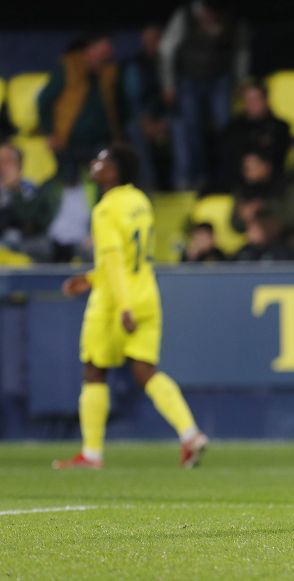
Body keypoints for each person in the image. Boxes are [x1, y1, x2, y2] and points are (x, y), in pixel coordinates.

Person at [53, 145, 208, 470]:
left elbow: (113, 260)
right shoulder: (140, 201)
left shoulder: (106, 209)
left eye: (104, 161)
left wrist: (121, 305)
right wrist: (91, 278)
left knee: (94, 369)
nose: (95, 164)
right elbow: (129, 257)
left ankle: (91, 454)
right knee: (145, 371)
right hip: (146, 293)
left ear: (117, 171)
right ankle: (190, 433)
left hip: (115, 303)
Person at [161, 0, 251, 189]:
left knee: (225, 130)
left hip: (220, 80)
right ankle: (194, 179)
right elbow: (166, 48)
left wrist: (240, 81)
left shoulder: (232, 17)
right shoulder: (185, 15)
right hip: (189, 80)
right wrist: (168, 84)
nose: (212, 18)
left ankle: (226, 178)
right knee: (190, 129)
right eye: (209, 12)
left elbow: (242, 50)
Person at [38, 33, 122, 184]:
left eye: (106, 56)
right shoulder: (69, 67)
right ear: (88, 50)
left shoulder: (108, 72)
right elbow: (44, 100)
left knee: (106, 177)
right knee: (69, 185)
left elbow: (118, 107)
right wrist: (49, 132)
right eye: (100, 54)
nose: (103, 59)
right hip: (68, 142)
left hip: (99, 143)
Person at [121, 24, 170, 191]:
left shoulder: (170, 64)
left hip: (166, 118)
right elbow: (132, 99)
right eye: (149, 38)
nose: (153, 42)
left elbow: (176, 98)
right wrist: (145, 121)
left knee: (182, 126)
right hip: (142, 119)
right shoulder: (135, 65)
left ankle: (185, 181)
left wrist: (163, 121)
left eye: (156, 38)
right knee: (134, 130)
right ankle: (147, 186)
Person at [218, 82, 290, 190]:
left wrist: (259, 164)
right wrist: (246, 167)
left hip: (271, 184)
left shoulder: (280, 127)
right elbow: (227, 157)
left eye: (256, 99)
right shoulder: (233, 127)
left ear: (266, 100)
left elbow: (278, 157)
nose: (252, 103)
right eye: (248, 100)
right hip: (237, 182)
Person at [0, 143, 59, 261]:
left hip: (27, 241)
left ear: (19, 165)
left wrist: (15, 190)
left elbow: (31, 221)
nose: (2, 166)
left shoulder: (30, 188)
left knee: (42, 245)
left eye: (8, 161)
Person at [231, 150, 288, 232]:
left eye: (252, 167)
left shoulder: (286, 186)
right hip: (254, 241)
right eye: (245, 168)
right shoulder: (242, 191)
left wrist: (263, 207)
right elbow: (235, 225)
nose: (247, 172)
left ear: (266, 166)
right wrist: (244, 217)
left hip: (285, 238)